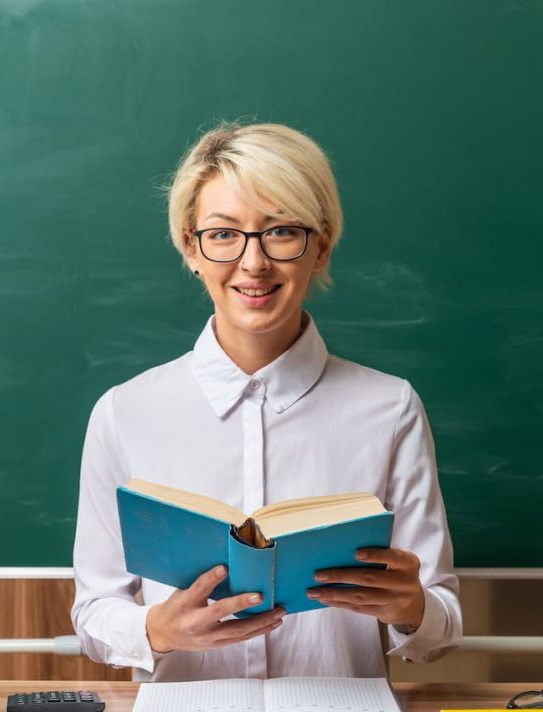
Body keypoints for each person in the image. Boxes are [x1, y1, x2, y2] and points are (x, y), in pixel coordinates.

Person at [71, 121, 462, 681]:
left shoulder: (390, 408)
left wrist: (411, 608)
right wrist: (155, 630)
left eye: (280, 232)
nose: (253, 263)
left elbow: (442, 621)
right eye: (224, 234)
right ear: (191, 248)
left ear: (320, 247)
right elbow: (93, 612)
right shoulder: (125, 413)